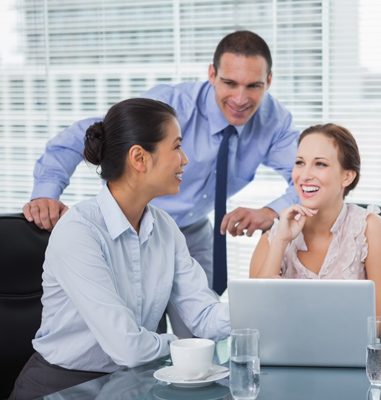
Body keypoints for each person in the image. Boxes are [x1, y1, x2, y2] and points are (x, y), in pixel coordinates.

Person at [22, 30, 299, 294]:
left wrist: (270, 212)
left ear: (269, 81)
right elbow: (83, 136)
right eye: (230, 83)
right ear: (212, 75)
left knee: (200, 332)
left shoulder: (274, 122)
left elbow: (309, 180)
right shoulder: (169, 106)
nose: (240, 99)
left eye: (254, 86)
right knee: (140, 322)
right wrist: (46, 195)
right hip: (137, 227)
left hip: (194, 231)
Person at [9, 98, 230, 400]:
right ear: (139, 158)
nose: (185, 160)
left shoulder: (165, 229)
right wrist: (179, 344)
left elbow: (203, 315)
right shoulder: (79, 230)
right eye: (176, 147)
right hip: (60, 387)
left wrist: (259, 310)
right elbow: (126, 346)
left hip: (129, 384)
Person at [249, 123, 381, 317]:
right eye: (300, 162)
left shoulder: (369, 228)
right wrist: (280, 241)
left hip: (352, 348)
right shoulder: (272, 238)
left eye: (320, 164)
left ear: (347, 177)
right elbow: (255, 320)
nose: (305, 175)